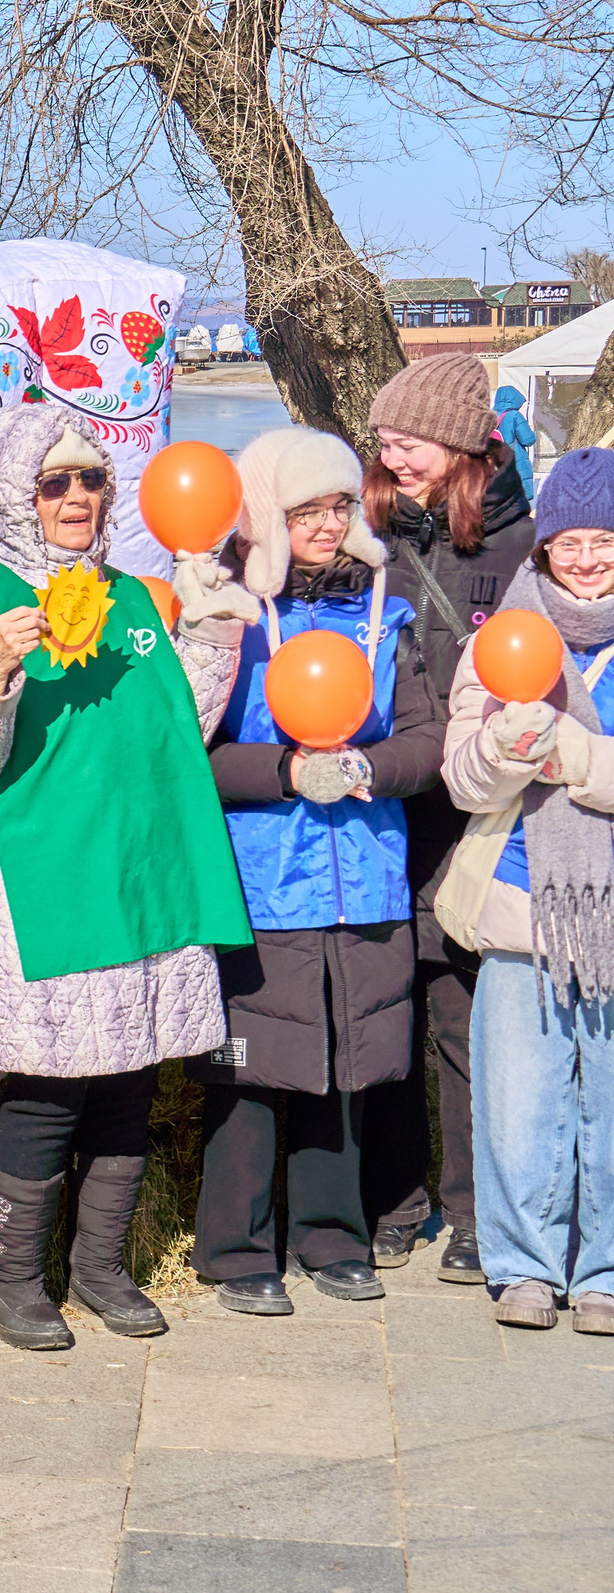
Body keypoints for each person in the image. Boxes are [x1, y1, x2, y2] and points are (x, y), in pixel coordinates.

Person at [0, 404, 255, 1351]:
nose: (77, 497)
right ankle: (12, 1275)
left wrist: (210, 630)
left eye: (92, 479)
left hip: (145, 869)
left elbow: (181, 726)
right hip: (47, 872)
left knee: (133, 1077)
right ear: (11, 493)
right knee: (49, 1088)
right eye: (54, 482)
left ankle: (101, 1264)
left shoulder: (137, 597)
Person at [197, 429, 443, 1316]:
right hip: (267, 878)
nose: (327, 524)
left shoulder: (387, 613)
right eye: (306, 510)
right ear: (269, 514)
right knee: (256, 1068)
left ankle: (332, 1235)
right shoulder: (227, 617)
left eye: (338, 506)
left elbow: (427, 736)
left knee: (349, 1058)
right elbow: (199, 754)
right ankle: (234, 1247)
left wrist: (376, 768)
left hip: (365, 874)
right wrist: (285, 772)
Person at [357, 351, 534, 1284]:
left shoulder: (525, 550)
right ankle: (395, 1199)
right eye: (384, 440)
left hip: (479, 818)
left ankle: (475, 1213)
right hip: (384, 807)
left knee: (466, 1025)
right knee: (388, 1013)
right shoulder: (368, 538)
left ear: (463, 447)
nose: (390, 453)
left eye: (409, 439)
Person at [431, 445, 614, 1334]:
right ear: (542, 547)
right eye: (569, 540)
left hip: (610, 913)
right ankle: (524, 1265)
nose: (585, 557)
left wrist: (575, 757)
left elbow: (584, 767)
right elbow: (462, 783)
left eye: (604, 540)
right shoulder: (500, 639)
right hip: (518, 900)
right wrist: (504, 750)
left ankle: (606, 1269)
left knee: (610, 1099)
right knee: (516, 1099)